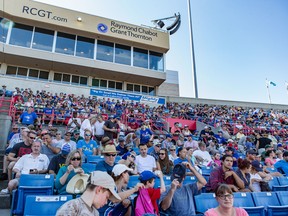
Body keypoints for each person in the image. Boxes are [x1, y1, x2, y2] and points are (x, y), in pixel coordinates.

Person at [56, 171, 122, 216]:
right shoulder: (71, 208)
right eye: (106, 197)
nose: (106, 202)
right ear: (99, 190)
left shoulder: (95, 213)